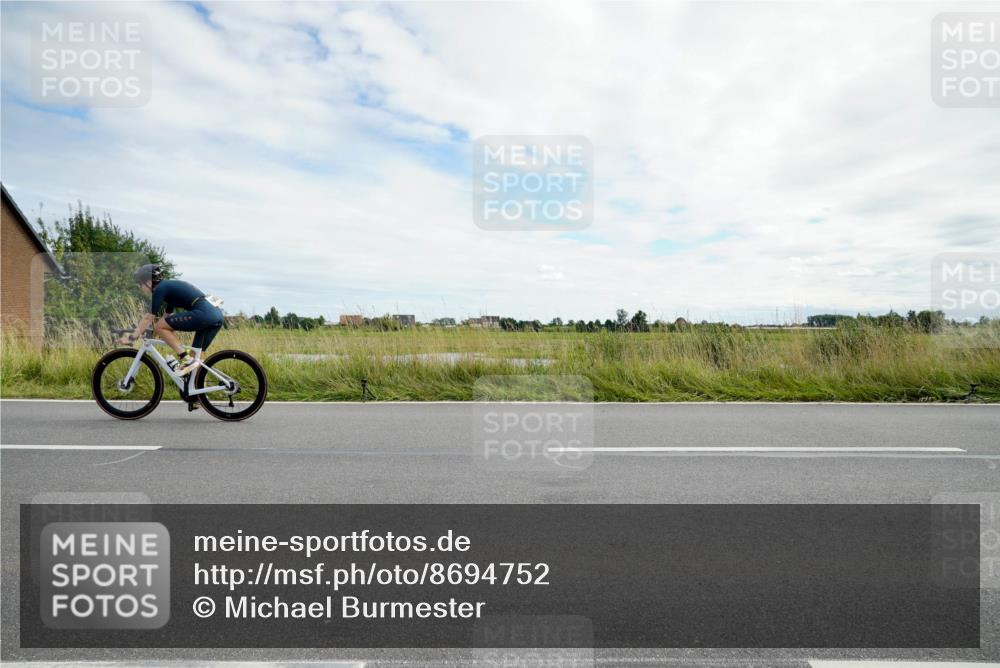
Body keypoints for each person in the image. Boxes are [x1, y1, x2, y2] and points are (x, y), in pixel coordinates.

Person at [120, 264, 224, 376]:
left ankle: (185, 358)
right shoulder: (168, 287)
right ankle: (196, 389)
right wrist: (153, 334)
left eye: (140, 284)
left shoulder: (160, 289)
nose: (140, 287)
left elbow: (149, 318)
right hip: (216, 315)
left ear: (149, 281)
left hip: (204, 314)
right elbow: (167, 316)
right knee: (196, 356)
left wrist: (132, 337)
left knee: (161, 328)